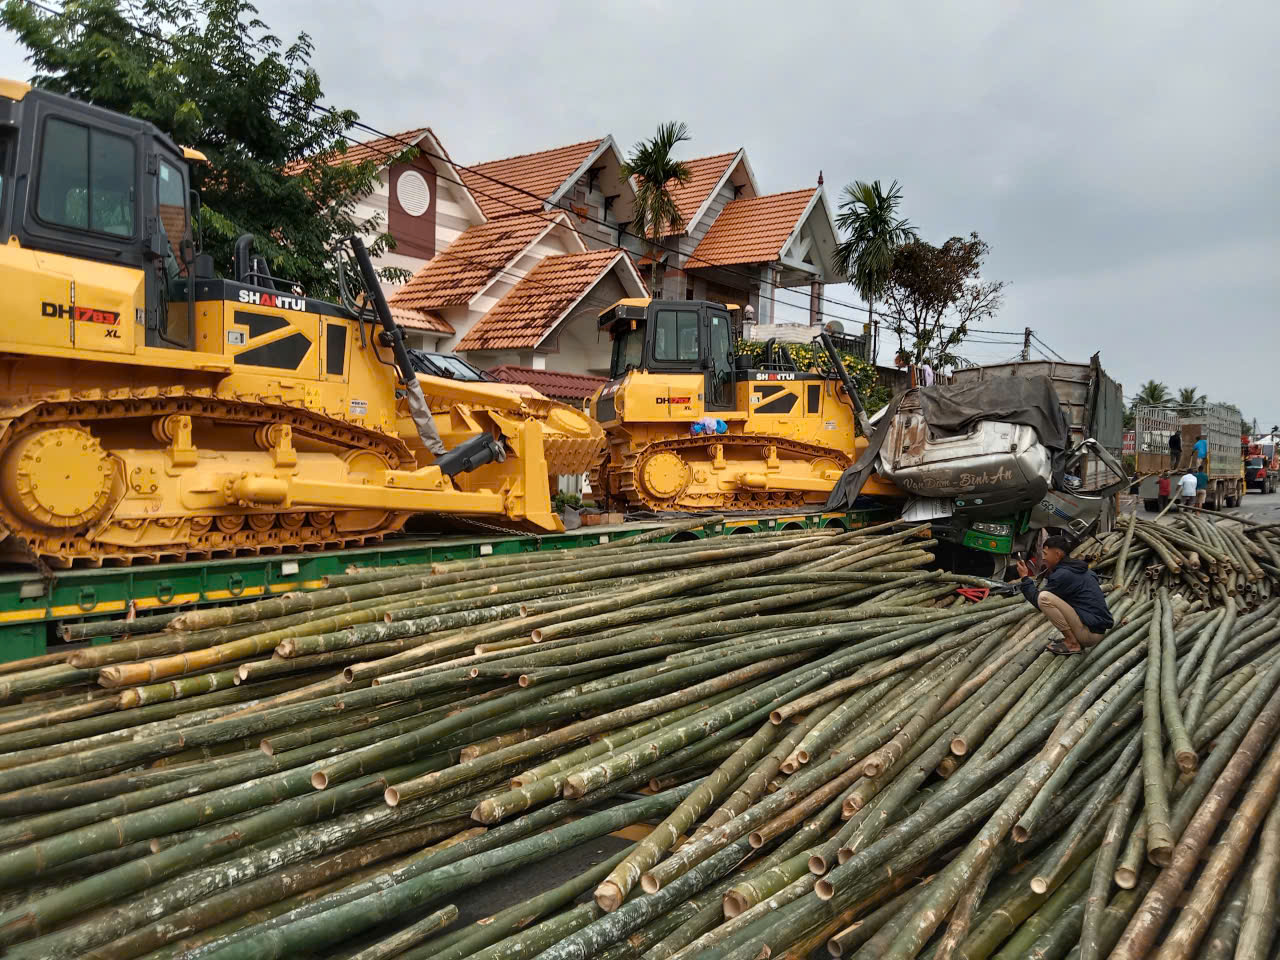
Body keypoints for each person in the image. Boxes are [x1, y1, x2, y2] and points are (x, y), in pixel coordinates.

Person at [1017, 535, 1114, 656]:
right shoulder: (1078, 569)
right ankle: (1073, 640)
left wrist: (1025, 578)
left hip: (1089, 635)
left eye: (1045, 553)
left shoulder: (1063, 575)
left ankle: (1072, 643)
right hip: (1094, 630)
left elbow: (1038, 601)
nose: (1043, 558)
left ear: (1057, 554)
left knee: (1044, 598)